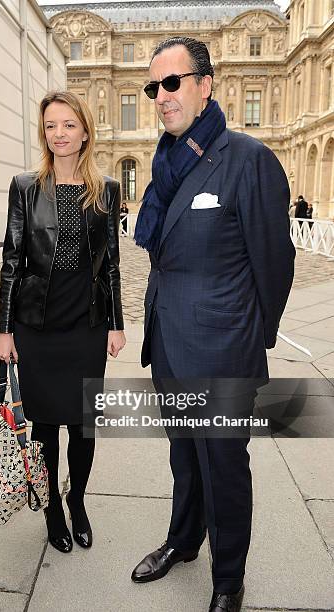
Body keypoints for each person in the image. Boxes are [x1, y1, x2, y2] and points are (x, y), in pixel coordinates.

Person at [132, 37, 295, 612]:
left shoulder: (248, 160)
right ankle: (183, 541)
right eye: (153, 87)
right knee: (184, 456)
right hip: (171, 348)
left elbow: (274, 267)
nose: (160, 97)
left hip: (224, 354)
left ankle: (228, 580)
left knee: (223, 464)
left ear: (205, 85)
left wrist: (251, 338)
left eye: (172, 83)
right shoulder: (166, 165)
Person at [0, 91, 126, 555]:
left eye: (68, 125)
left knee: (84, 425)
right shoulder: (25, 186)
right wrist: (4, 328)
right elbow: (13, 259)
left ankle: (78, 501)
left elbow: (110, 262)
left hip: (87, 325)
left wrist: (117, 323)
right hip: (38, 326)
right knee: (46, 426)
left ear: (85, 132)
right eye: (51, 125)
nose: (59, 134)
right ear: (43, 132)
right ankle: (52, 507)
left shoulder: (106, 189)